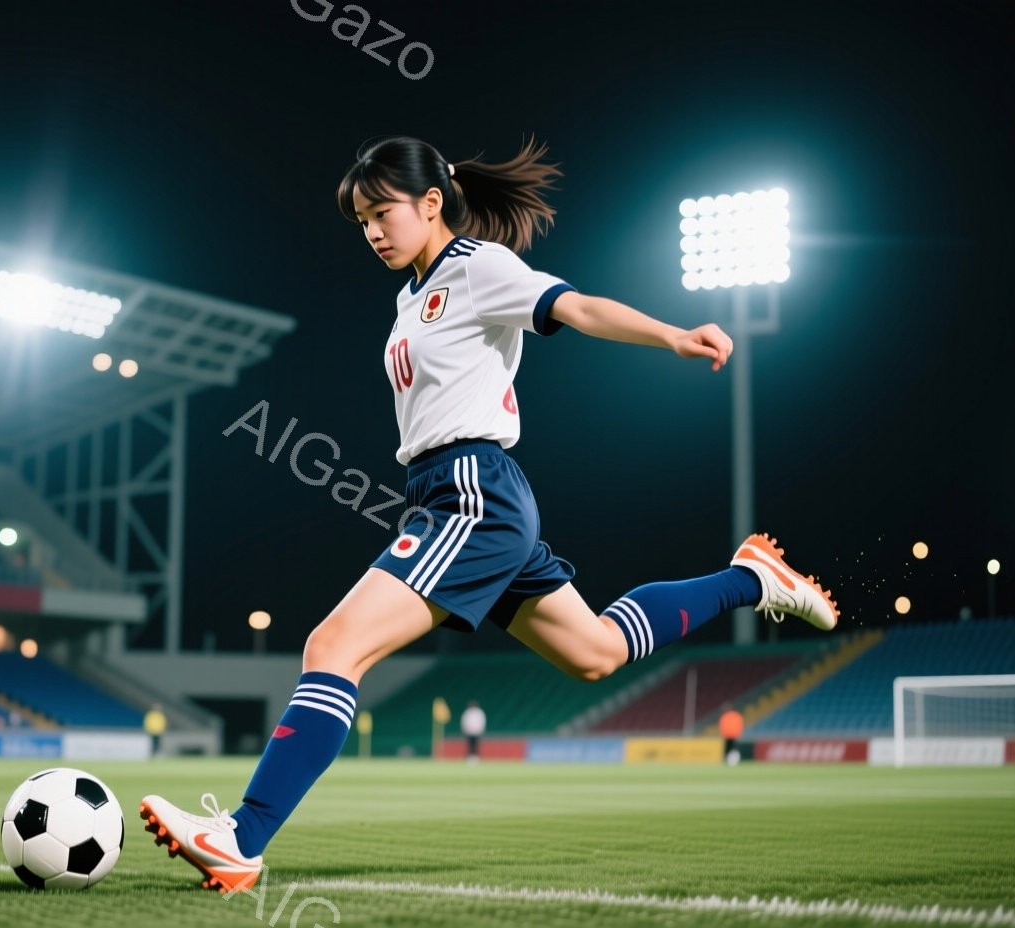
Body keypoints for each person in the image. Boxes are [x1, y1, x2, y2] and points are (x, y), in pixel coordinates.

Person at [140, 136, 841, 894]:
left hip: (473, 492)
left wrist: (670, 334)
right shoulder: (410, 295)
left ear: (431, 203)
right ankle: (749, 579)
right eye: (362, 221)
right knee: (596, 652)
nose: (372, 230)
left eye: (382, 212)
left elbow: (575, 305)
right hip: (456, 496)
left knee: (333, 644)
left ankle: (242, 837)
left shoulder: (478, 267)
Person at [461, 699, 486, 765]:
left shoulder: (479, 712)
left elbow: (481, 722)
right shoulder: (467, 713)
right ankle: (469, 758)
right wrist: (465, 730)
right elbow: (464, 722)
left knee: (476, 745)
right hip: (469, 732)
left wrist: (480, 730)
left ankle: (476, 758)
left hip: (477, 732)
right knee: (469, 746)